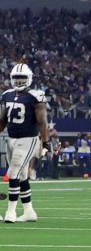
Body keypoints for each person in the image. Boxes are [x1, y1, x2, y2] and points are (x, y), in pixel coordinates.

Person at [1, 63, 49, 222]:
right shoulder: (6, 94)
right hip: (11, 138)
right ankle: (29, 212)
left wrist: (45, 142)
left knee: (13, 172)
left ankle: (10, 212)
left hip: (28, 139)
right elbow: (2, 119)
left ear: (29, 79)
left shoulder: (36, 96)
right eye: (16, 78)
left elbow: (42, 122)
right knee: (21, 176)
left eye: (22, 78)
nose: (20, 81)